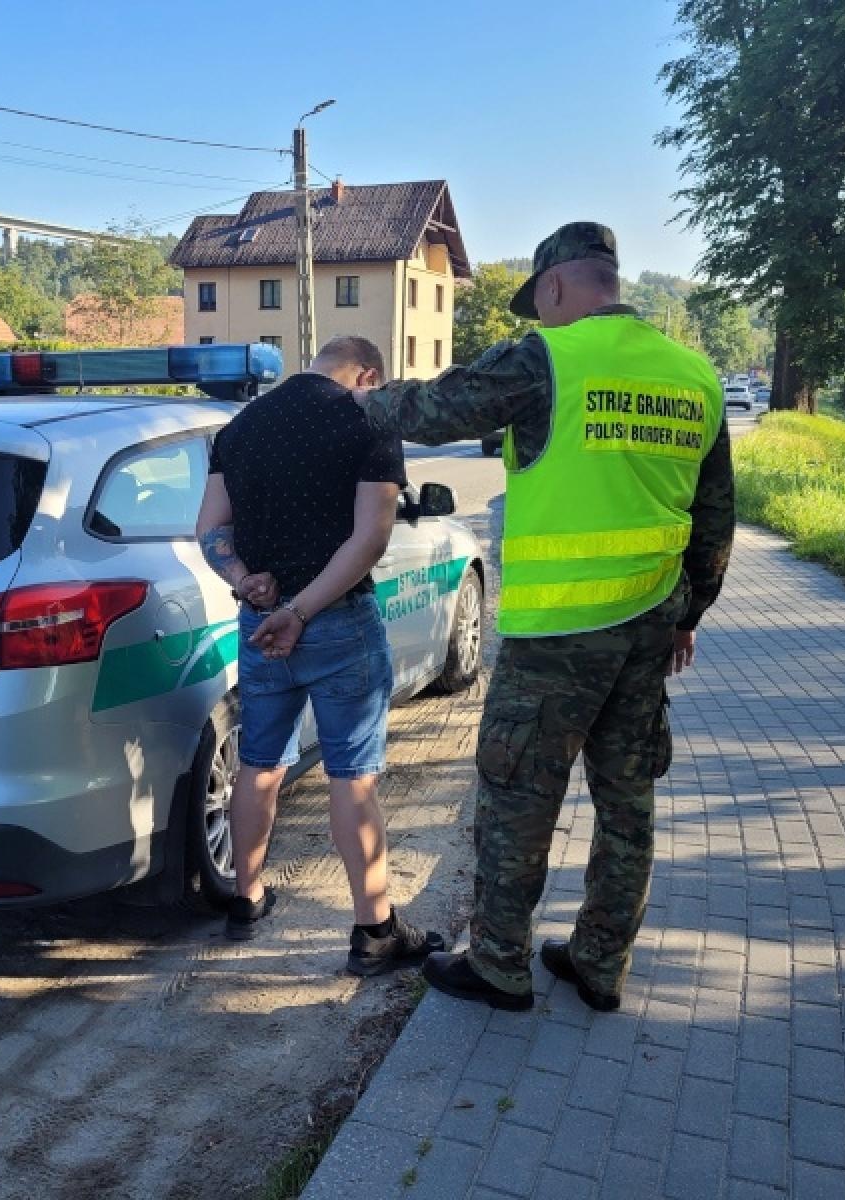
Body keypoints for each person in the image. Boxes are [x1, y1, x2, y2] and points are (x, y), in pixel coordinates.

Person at [354, 223, 735, 1012]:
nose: (540, 313)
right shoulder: (695, 375)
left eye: (540, 301)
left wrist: (349, 397)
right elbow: (716, 519)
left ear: (556, 287)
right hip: (649, 628)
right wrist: (687, 612)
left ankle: (499, 962)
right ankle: (600, 961)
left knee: (519, 796)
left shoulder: (547, 357)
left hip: (557, 635)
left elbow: (428, 410)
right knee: (628, 803)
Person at [195, 335, 445, 975]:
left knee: (259, 764)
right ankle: (375, 931)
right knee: (350, 776)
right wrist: (300, 610)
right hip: (334, 626)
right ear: (368, 373)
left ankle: (246, 899)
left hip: (260, 627)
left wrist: (247, 578)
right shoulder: (369, 418)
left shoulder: (241, 426)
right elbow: (369, 539)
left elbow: (211, 531)